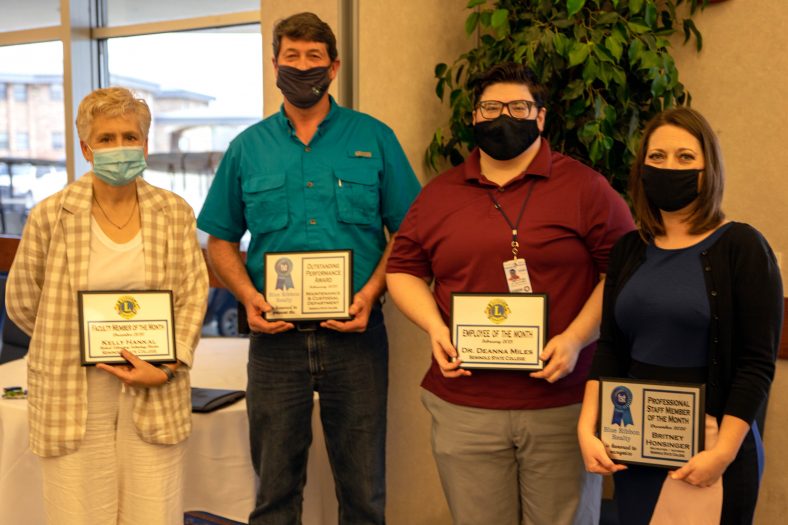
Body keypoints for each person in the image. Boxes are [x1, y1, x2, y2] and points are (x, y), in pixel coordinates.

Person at [385, 62, 635, 525]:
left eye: (519, 106)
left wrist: (577, 338)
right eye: (491, 107)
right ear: (474, 117)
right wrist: (435, 328)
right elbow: (402, 269)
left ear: (540, 117)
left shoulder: (586, 188)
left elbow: (622, 273)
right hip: (464, 405)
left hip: (562, 402)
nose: (505, 116)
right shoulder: (439, 194)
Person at [196, 12, 421, 525]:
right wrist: (246, 295)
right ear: (274, 64)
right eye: (291, 57)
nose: (302, 67)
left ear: (333, 66)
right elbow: (220, 240)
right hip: (274, 341)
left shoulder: (374, 138)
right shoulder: (247, 149)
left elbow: (408, 233)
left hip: (357, 336)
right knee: (275, 493)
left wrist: (370, 293)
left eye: (313, 57)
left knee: (364, 493)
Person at [6, 86, 209, 524]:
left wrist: (167, 365)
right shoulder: (50, 215)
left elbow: (193, 295)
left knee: (153, 511)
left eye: (130, 136)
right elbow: (23, 302)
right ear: (86, 147)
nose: (120, 147)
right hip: (71, 391)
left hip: (155, 383)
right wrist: (68, 339)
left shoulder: (174, 213)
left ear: (146, 143)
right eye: (106, 138)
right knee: (77, 513)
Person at [577, 107, 783, 524]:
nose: (670, 167)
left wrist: (722, 454)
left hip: (711, 451)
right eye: (657, 157)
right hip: (637, 446)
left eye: (685, 157)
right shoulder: (629, 250)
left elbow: (755, 365)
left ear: (710, 168)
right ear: (641, 169)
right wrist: (587, 427)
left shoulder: (742, 247)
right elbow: (611, 348)